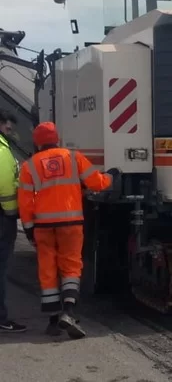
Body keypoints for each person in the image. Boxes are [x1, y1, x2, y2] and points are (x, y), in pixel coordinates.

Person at [17, 122, 114, 339]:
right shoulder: (73, 157)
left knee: (47, 269)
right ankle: (68, 312)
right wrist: (111, 177)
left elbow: (25, 202)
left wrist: (29, 228)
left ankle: (52, 322)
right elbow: (96, 183)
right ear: (57, 139)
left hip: (43, 226)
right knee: (71, 265)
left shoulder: (29, 165)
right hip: (71, 224)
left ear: (37, 142)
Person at [0, 109, 26, 333]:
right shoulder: (1, 150)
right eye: (8, 127)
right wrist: (11, 211)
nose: (11, 132)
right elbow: (6, 185)